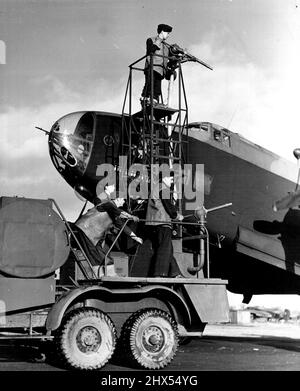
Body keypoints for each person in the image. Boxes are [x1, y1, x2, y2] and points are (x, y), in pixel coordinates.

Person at [72, 188, 142, 272]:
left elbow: (122, 226)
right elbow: (117, 211)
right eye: (123, 200)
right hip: (86, 230)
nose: (123, 202)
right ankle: (97, 272)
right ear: (118, 199)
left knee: (99, 252)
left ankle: (102, 271)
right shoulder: (108, 204)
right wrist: (131, 217)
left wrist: (135, 237)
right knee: (93, 253)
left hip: (92, 234)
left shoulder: (113, 212)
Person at [145, 175, 183, 277]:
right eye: (170, 179)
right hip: (162, 222)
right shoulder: (163, 188)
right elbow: (167, 205)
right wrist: (176, 215)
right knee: (164, 248)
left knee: (168, 248)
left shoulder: (157, 187)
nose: (171, 181)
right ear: (164, 178)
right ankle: (160, 273)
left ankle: (175, 272)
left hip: (155, 222)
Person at [141, 23, 173, 106]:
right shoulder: (151, 40)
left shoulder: (166, 46)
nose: (168, 35)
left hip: (161, 71)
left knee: (157, 90)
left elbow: (170, 58)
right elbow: (150, 51)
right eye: (167, 33)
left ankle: (153, 103)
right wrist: (159, 39)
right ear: (162, 32)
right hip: (152, 68)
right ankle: (145, 102)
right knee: (149, 86)